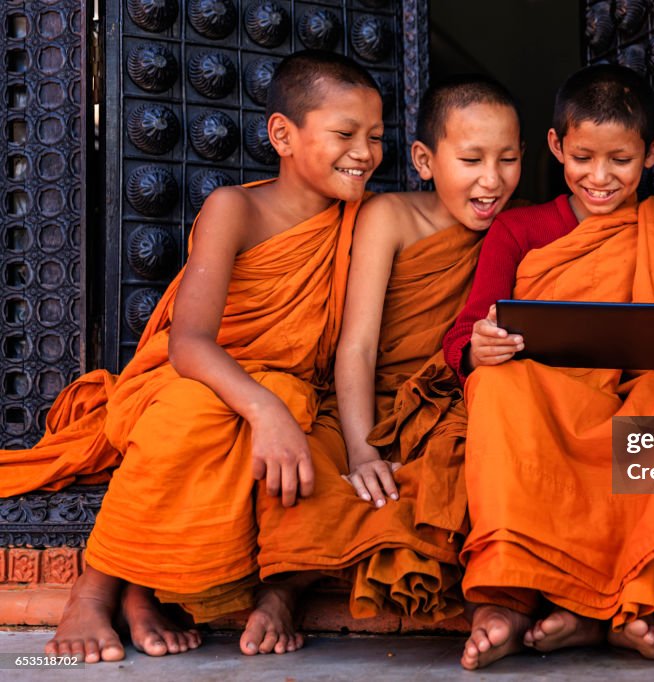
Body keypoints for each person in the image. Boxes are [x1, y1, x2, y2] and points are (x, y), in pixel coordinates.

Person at [0, 50, 384, 662]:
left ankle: (180, 590)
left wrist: (279, 409)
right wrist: (264, 409)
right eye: (345, 134)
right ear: (282, 134)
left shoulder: (364, 222)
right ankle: (95, 592)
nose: (364, 152)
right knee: (190, 416)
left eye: (375, 137)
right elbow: (190, 343)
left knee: (324, 467)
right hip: (197, 378)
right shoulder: (237, 208)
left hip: (295, 392)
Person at [443, 64, 654, 670]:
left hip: (639, 400)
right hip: (548, 402)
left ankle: (621, 600)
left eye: (621, 160)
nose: (600, 177)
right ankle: (507, 599)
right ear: (557, 146)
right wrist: (477, 348)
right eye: (583, 157)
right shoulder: (520, 229)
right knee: (499, 385)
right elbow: (465, 330)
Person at [253, 75, 522, 623]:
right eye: (471, 160)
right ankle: (283, 591)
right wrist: (361, 450)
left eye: (509, 159)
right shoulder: (392, 217)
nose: (491, 180)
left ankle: (490, 605)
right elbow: (358, 346)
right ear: (424, 160)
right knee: (307, 476)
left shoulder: (519, 231)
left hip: (451, 408)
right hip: (366, 407)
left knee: (463, 474)